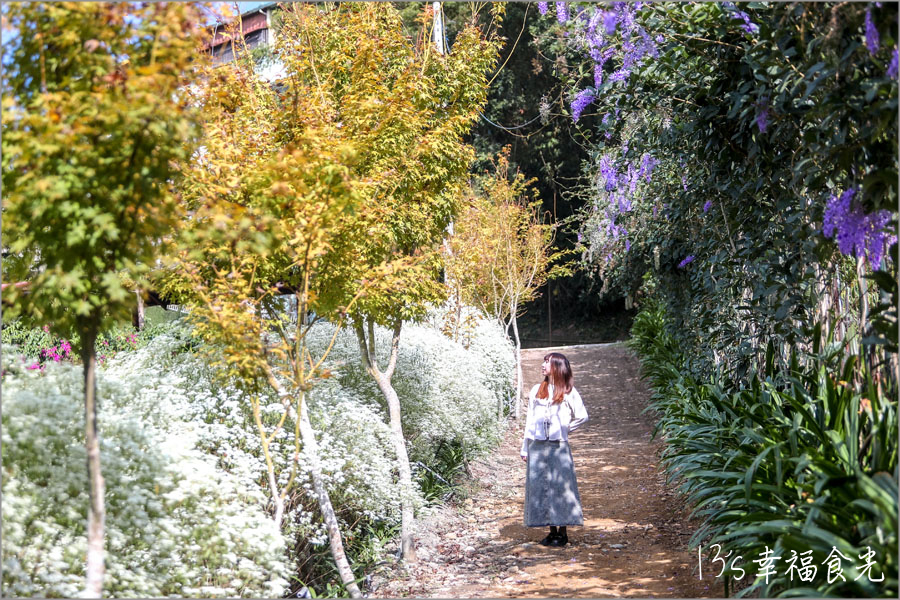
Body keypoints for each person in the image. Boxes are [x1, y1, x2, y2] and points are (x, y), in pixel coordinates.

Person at [520, 352, 589, 547]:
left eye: (547, 362)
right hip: (538, 444)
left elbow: (582, 416)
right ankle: (550, 531)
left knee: (561, 487)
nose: (543, 365)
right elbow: (530, 420)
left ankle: (563, 532)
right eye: (544, 362)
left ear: (557, 367)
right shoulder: (537, 390)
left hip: (559, 446)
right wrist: (525, 448)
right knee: (541, 486)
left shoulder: (568, 391)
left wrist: (565, 428)